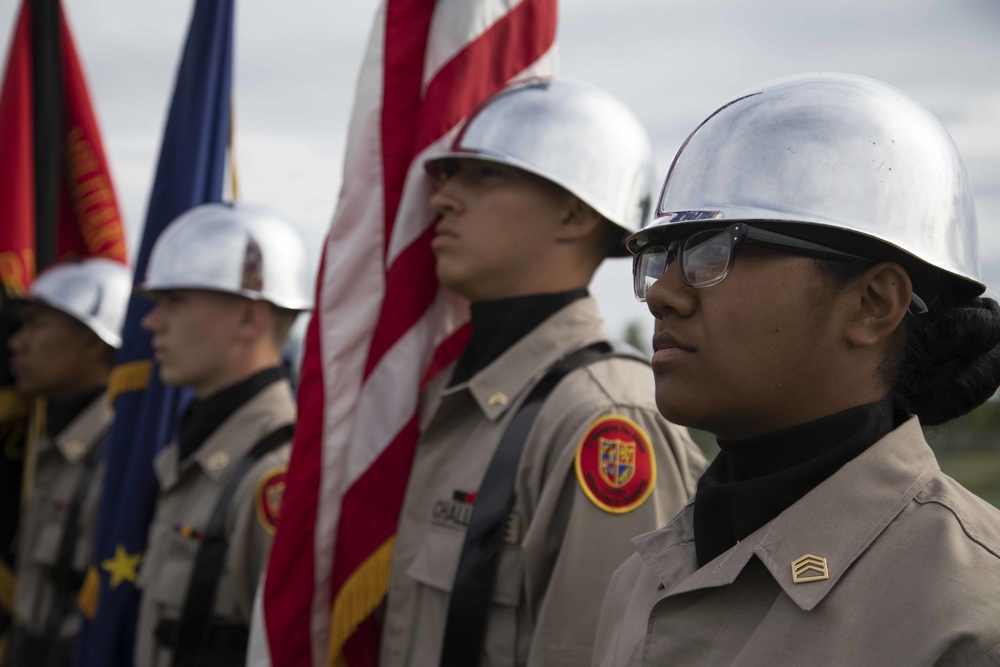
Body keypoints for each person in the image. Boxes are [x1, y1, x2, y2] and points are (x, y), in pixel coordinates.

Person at [594, 72, 1000, 666]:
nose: (663, 295)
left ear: (873, 304)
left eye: (715, 251)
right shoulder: (639, 582)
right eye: (663, 257)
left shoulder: (970, 614)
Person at [380, 79, 707, 667]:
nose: (442, 199)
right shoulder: (458, 394)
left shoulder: (603, 418)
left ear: (574, 213)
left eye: (484, 177)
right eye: (450, 177)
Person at [133, 202, 312, 666]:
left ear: (249, 320)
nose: (152, 321)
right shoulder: (194, 452)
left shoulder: (273, 472)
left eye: (176, 301)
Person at [6, 258, 131, 666]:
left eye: (36, 325)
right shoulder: (57, 443)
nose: (17, 343)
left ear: (94, 341)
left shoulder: (120, 459)